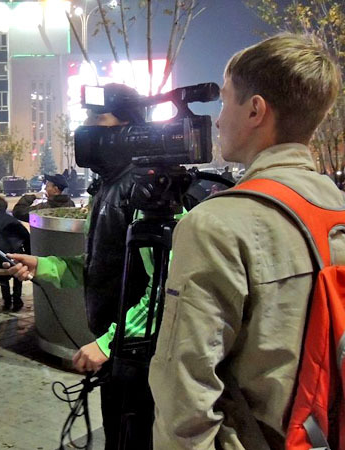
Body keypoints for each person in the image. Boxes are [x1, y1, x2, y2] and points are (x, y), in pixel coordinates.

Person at [149, 33, 343, 449]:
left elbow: (185, 400)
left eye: (225, 102)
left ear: (255, 110)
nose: (219, 121)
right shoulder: (338, 210)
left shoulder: (217, 225)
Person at [6, 83, 151, 449]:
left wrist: (111, 342)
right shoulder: (108, 188)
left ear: (128, 128)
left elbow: (167, 287)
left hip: (141, 359)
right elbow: (100, 265)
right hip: (116, 354)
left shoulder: (147, 190)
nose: (86, 128)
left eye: (98, 118)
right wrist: (43, 266)